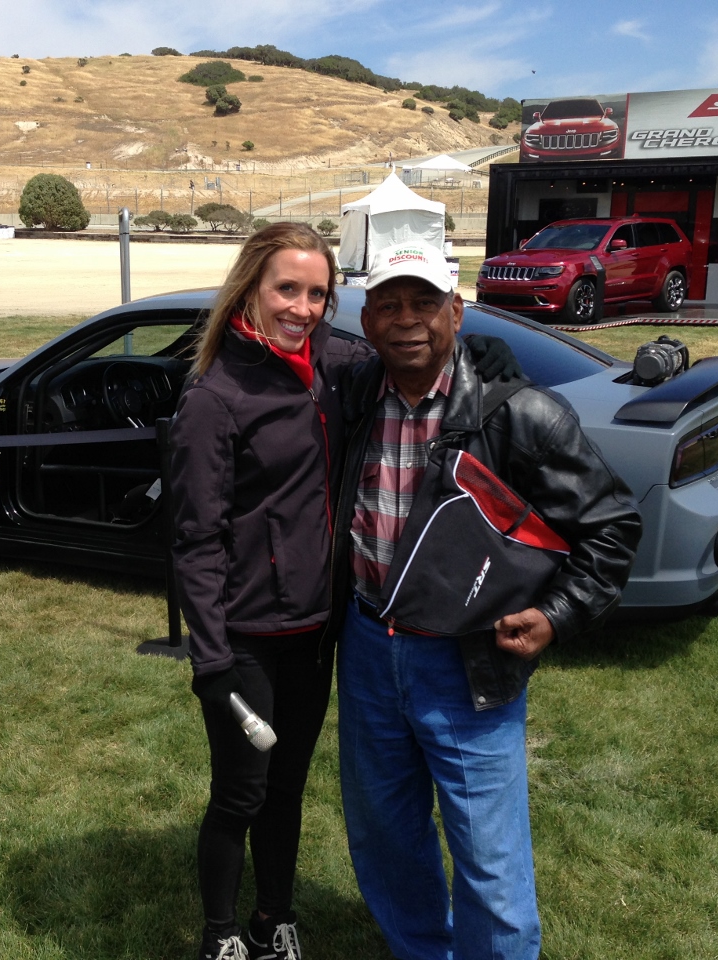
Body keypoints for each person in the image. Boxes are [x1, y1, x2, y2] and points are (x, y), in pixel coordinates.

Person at [169, 225, 518, 960]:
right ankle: (221, 935)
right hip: (245, 638)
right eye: (286, 290)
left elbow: (414, 349)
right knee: (242, 791)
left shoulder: (334, 364)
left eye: (317, 293)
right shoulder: (215, 396)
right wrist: (210, 660)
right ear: (251, 290)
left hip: (317, 629)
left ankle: (274, 920)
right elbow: (196, 541)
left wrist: (483, 351)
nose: (301, 307)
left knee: (288, 786)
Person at [328, 241, 643, 960]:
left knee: (491, 866)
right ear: (368, 320)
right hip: (371, 649)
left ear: (457, 312)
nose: (407, 320)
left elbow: (613, 525)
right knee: (384, 833)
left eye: (425, 303)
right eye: (388, 305)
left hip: (469, 662)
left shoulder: (520, 412)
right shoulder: (351, 398)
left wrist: (558, 616)